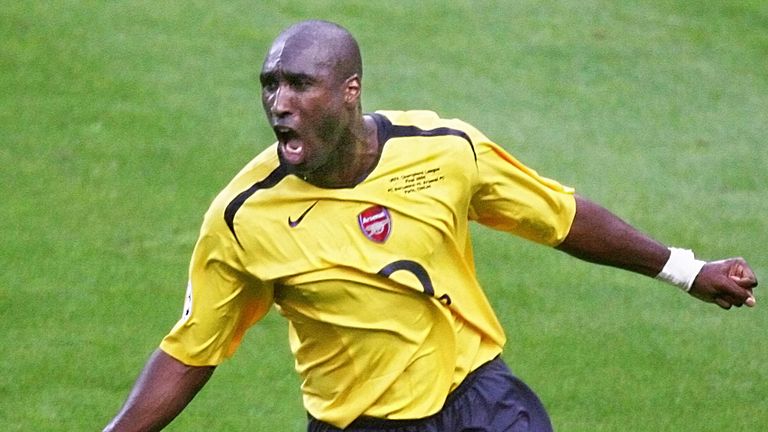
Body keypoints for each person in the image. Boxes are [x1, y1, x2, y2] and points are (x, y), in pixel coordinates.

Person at [102, 20, 758, 432]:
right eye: (270, 85)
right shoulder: (244, 218)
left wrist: (686, 269)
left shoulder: (444, 150)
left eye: (300, 84)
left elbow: (558, 216)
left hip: (480, 400)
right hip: (360, 424)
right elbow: (191, 351)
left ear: (349, 90)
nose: (279, 102)